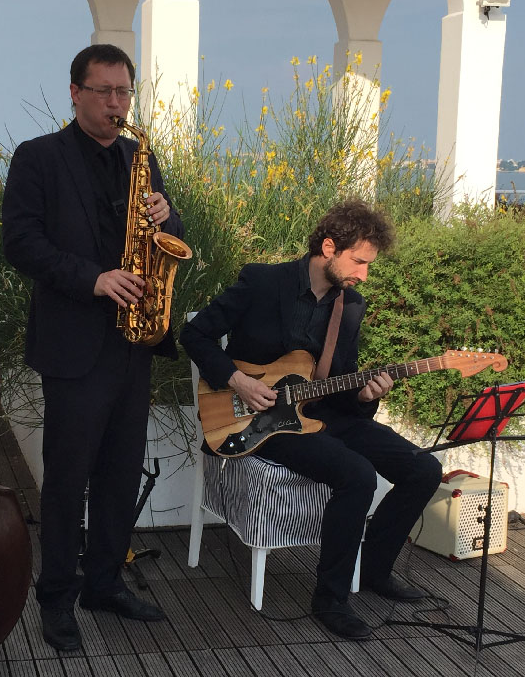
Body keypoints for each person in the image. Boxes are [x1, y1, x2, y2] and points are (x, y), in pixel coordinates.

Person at [180, 199, 442, 641]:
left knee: (424, 469)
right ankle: (331, 600)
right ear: (328, 247)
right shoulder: (263, 281)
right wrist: (238, 381)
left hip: (324, 414)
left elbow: (342, 380)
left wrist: (365, 395)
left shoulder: (349, 305)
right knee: (357, 475)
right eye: (359, 262)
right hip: (264, 419)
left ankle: (375, 569)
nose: (364, 274)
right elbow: (194, 334)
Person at [1, 44, 184, 651]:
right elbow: (20, 243)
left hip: (133, 341)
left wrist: (167, 216)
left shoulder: (139, 158)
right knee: (67, 480)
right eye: (103, 91)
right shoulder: (38, 158)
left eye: (123, 92)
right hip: (75, 346)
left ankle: (104, 582)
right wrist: (94, 279)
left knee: (120, 473)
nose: (115, 103)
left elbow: (171, 236)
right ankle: (56, 596)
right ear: (75, 93)